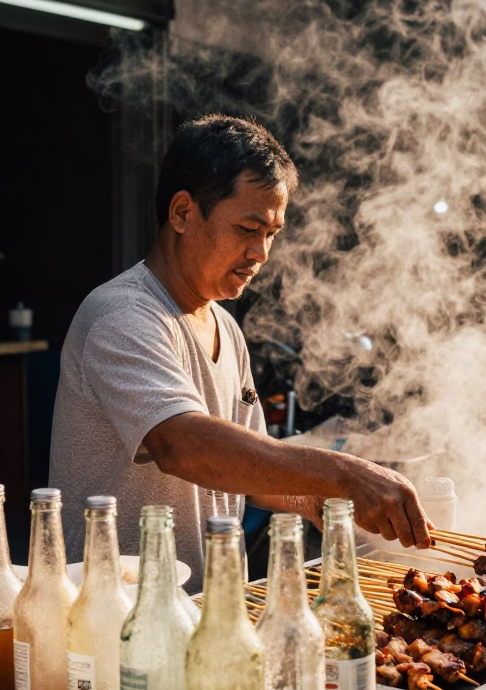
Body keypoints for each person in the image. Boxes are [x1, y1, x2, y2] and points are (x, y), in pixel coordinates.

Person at [50, 114, 430, 591]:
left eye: (271, 234)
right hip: (113, 613)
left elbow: (251, 474)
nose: (261, 253)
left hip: (206, 608)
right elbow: (183, 447)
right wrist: (342, 474)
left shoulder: (225, 327)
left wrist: (317, 501)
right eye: (249, 228)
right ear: (183, 213)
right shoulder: (121, 316)